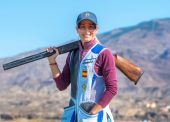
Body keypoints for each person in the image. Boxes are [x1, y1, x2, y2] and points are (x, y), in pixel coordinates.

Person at [47, 11, 117, 122]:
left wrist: (92, 112)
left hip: (94, 117)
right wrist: (52, 61)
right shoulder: (73, 54)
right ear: (77, 29)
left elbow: (112, 89)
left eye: (91, 27)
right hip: (74, 116)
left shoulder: (104, 53)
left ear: (96, 29)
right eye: (82, 27)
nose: (87, 31)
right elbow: (62, 85)